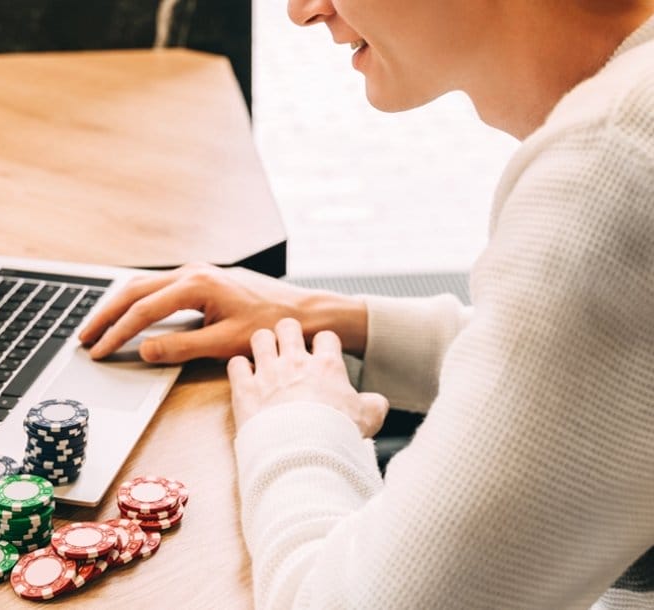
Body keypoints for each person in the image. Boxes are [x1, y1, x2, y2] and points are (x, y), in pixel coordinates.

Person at [78, 0, 654, 607]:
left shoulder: (614, 168)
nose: (303, 11)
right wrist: (346, 324)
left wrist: (296, 420)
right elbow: (614, 376)